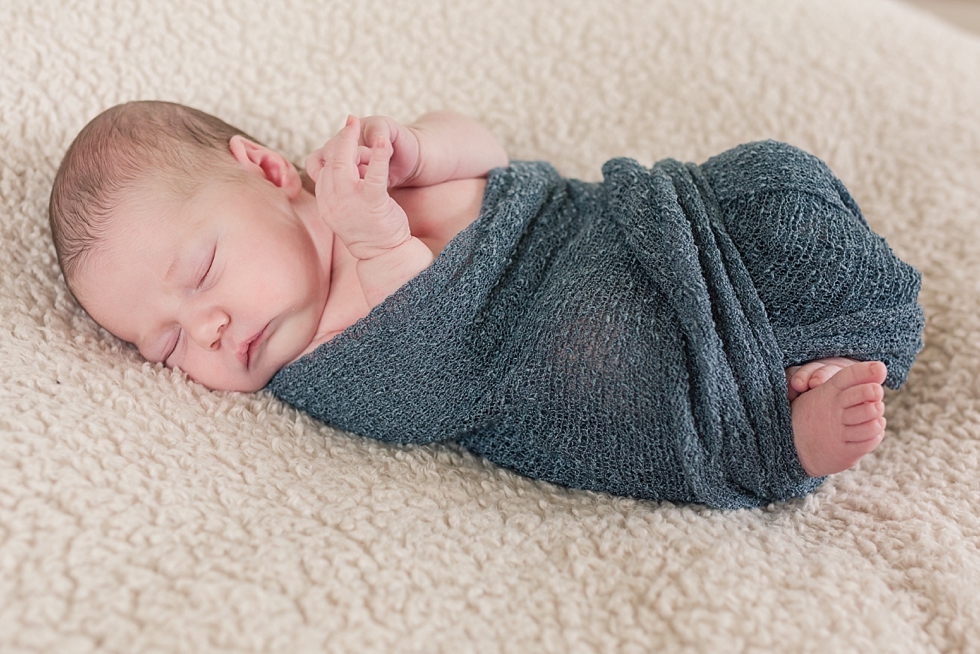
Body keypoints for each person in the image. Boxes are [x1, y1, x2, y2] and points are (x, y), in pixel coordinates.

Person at [49, 101, 924, 508]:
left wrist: (422, 149)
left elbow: (490, 157)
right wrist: (376, 242)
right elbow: (434, 363)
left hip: (622, 233)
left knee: (775, 184)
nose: (206, 330)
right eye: (166, 345)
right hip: (580, 354)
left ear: (270, 172)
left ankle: (802, 342)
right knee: (640, 397)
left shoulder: (361, 173)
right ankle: (780, 430)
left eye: (202, 271)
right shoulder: (319, 365)